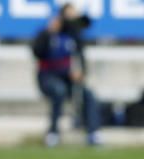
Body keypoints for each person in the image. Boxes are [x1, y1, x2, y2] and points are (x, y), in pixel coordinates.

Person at [31, 3, 100, 148]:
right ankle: (53, 132)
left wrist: (81, 73)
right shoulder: (49, 33)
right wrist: (49, 32)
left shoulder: (74, 36)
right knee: (59, 91)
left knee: (88, 95)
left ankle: (93, 132)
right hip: (48, 77)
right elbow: (37, 52)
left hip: (67, 78)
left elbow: (81, 57)